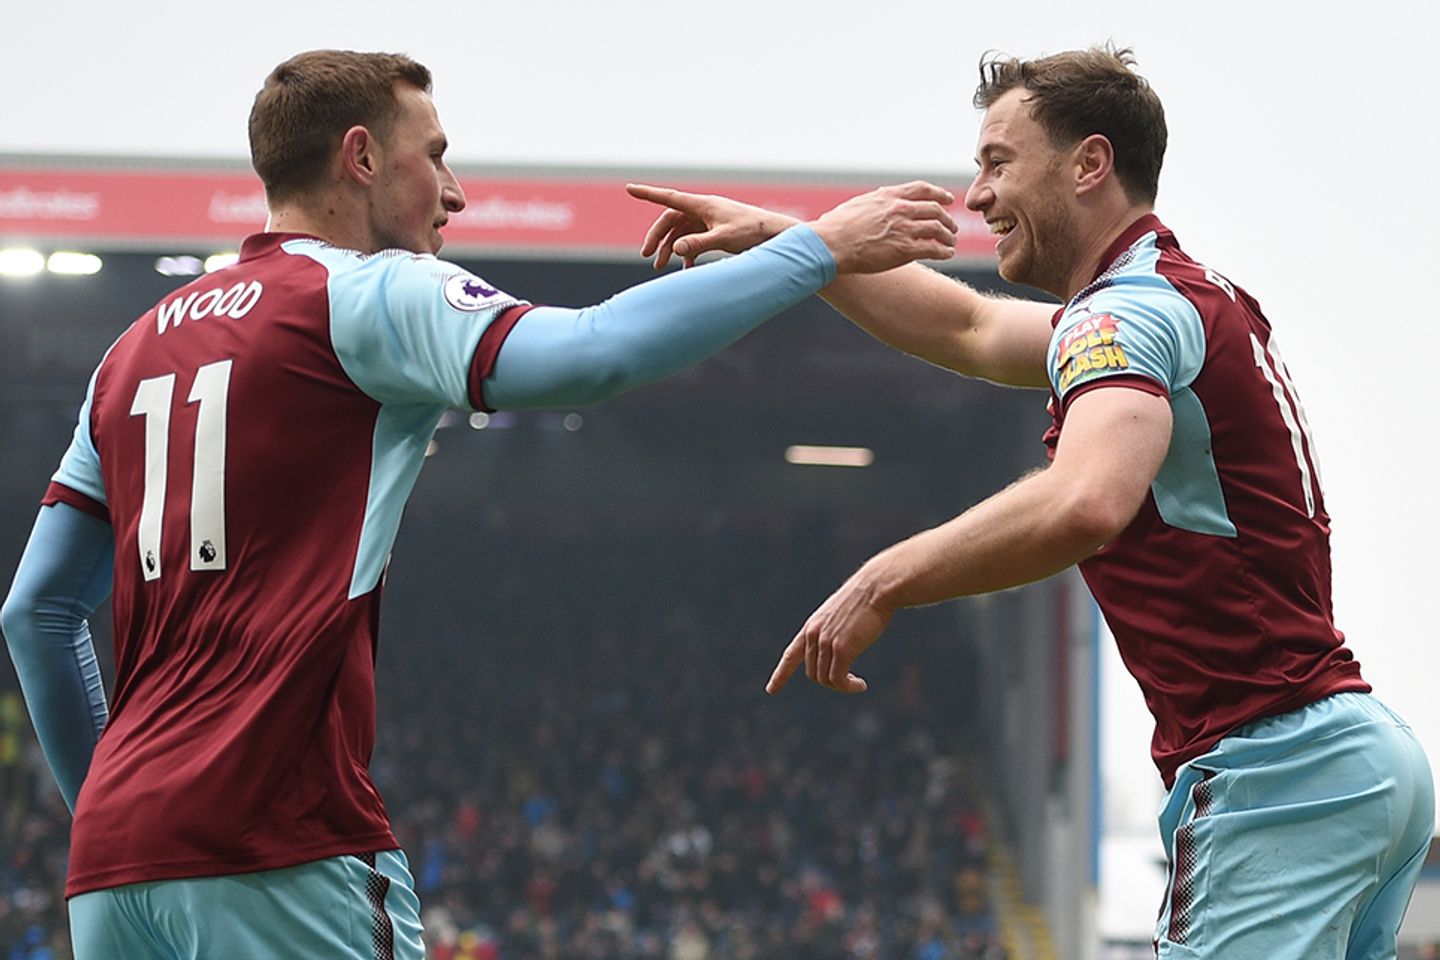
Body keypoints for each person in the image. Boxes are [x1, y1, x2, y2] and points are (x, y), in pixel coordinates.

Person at [0, 49, 958, 959]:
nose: (454, 193)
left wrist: (111, 813)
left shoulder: (129, 353)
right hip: (278, 844)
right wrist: (817, 249)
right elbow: (592, 354)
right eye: (438, 157)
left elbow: (36, 612)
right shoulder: (364, 296)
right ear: (362, 157)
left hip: (114, 873)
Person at [629, 45, 1434, 960]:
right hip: (1354, 760)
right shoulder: (1175, 300)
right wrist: (792, 243)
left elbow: (1086, 499)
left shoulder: (1123, 314)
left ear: (1089, 163)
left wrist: (886, 578)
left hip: (1276, 772)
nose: (976, 195)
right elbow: (967, 327)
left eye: (997, 162)